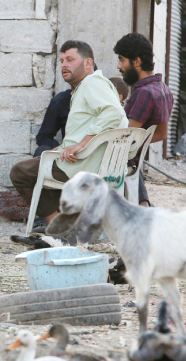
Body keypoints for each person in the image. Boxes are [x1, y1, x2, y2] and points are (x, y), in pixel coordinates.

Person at [10, 40, 126, 226]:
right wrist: (64, 147)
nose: (64, 64)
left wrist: (82, 144)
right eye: (62, 60)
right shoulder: (97, 86)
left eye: (70, 59)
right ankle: (68, 226)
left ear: (88, 63)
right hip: (93, 166)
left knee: (20, 172)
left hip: (82, 166)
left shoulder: (92, 83)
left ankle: (59, 227)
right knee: (42, 165)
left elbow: (115, 113)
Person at [114, 33, 174, 207]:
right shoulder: (163, 89)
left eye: (122, 60)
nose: (119, 66)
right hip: (134, 162)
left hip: (121, 161)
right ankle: (142, 203)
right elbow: (161, 134)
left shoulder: (144, 93)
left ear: (137, 62)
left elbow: (127, 139)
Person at [34, 88, 71, 157]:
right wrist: (60, 149)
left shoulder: (94, 98)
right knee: (42, 151)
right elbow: (43, 137)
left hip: (90, 149)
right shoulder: (62, 99)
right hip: (67, 153)